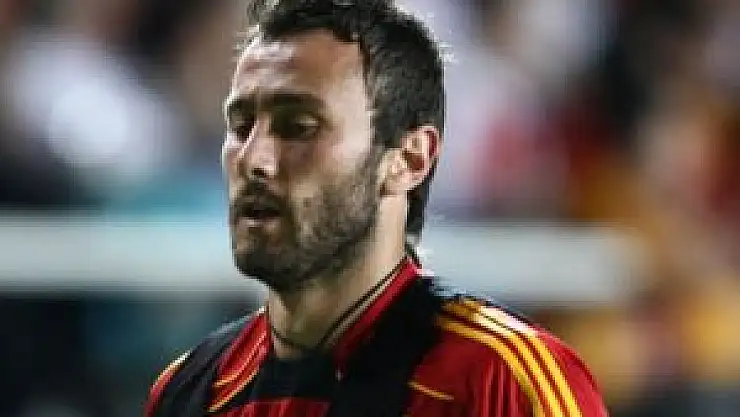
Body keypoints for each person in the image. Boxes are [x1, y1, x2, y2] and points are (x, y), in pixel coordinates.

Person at [145, 1, 609, 416]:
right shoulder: (188, 393)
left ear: (408, 160)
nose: (254, 159)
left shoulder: (502, 383)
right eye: (241, 126)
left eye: (299, 126)